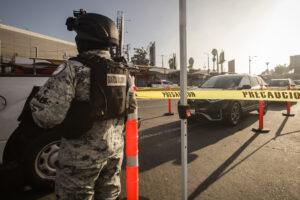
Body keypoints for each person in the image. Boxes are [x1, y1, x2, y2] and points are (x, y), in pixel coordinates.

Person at [30, 9, 137, 200]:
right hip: (114, 154)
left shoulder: (73, 68)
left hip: (80, 158)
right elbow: (131, 108)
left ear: (84, 38)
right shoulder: (124, 73)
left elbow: (46, 116)